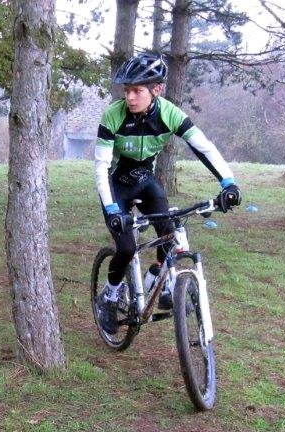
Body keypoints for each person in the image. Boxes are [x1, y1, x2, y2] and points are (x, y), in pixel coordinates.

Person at [94, 52, 241, 335]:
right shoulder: (113, 115)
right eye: (127, 91)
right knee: (125, 248)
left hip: (146, 181)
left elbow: (203, 147)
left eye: (137, 91)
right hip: (117, 187)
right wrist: (113, 211)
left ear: (156, 90)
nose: (130, 98)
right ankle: (109, 295)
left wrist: (228, 183)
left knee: (170, 234)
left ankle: (155, 279)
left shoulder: (169, 113)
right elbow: (100, 167)